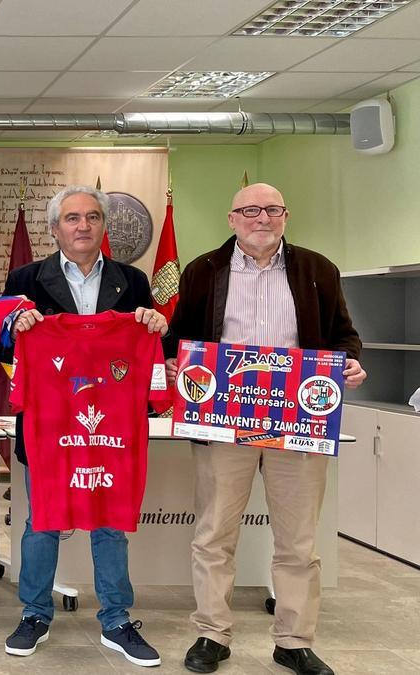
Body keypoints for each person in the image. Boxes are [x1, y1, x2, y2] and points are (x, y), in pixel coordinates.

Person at [166, 183, 365, 675]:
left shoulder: (318, 269)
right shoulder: (201, 271)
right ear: (232, 218)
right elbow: (181, 337)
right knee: (214, 534)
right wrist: (175, 363)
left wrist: (352, 365)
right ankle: (212, 634)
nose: (262, 218)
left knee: (298, 539)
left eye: (272, 209)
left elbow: (344, 336)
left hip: (297, 420)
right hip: (222, 420)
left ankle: (294, 640)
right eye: (251, 210)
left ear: (285, 215)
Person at [0, 185, 167, 667]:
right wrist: (15, 331)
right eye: (72, 218)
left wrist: (153, 324)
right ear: (55, 229)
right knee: (41, 522)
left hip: (109, 427)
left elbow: (148, 346)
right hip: (50, 426)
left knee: (110, 523)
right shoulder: (26, 278)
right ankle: (34, 613)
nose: (83, 226)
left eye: (92, 217)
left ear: (103, 226)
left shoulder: (131, 280)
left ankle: (116, 619)